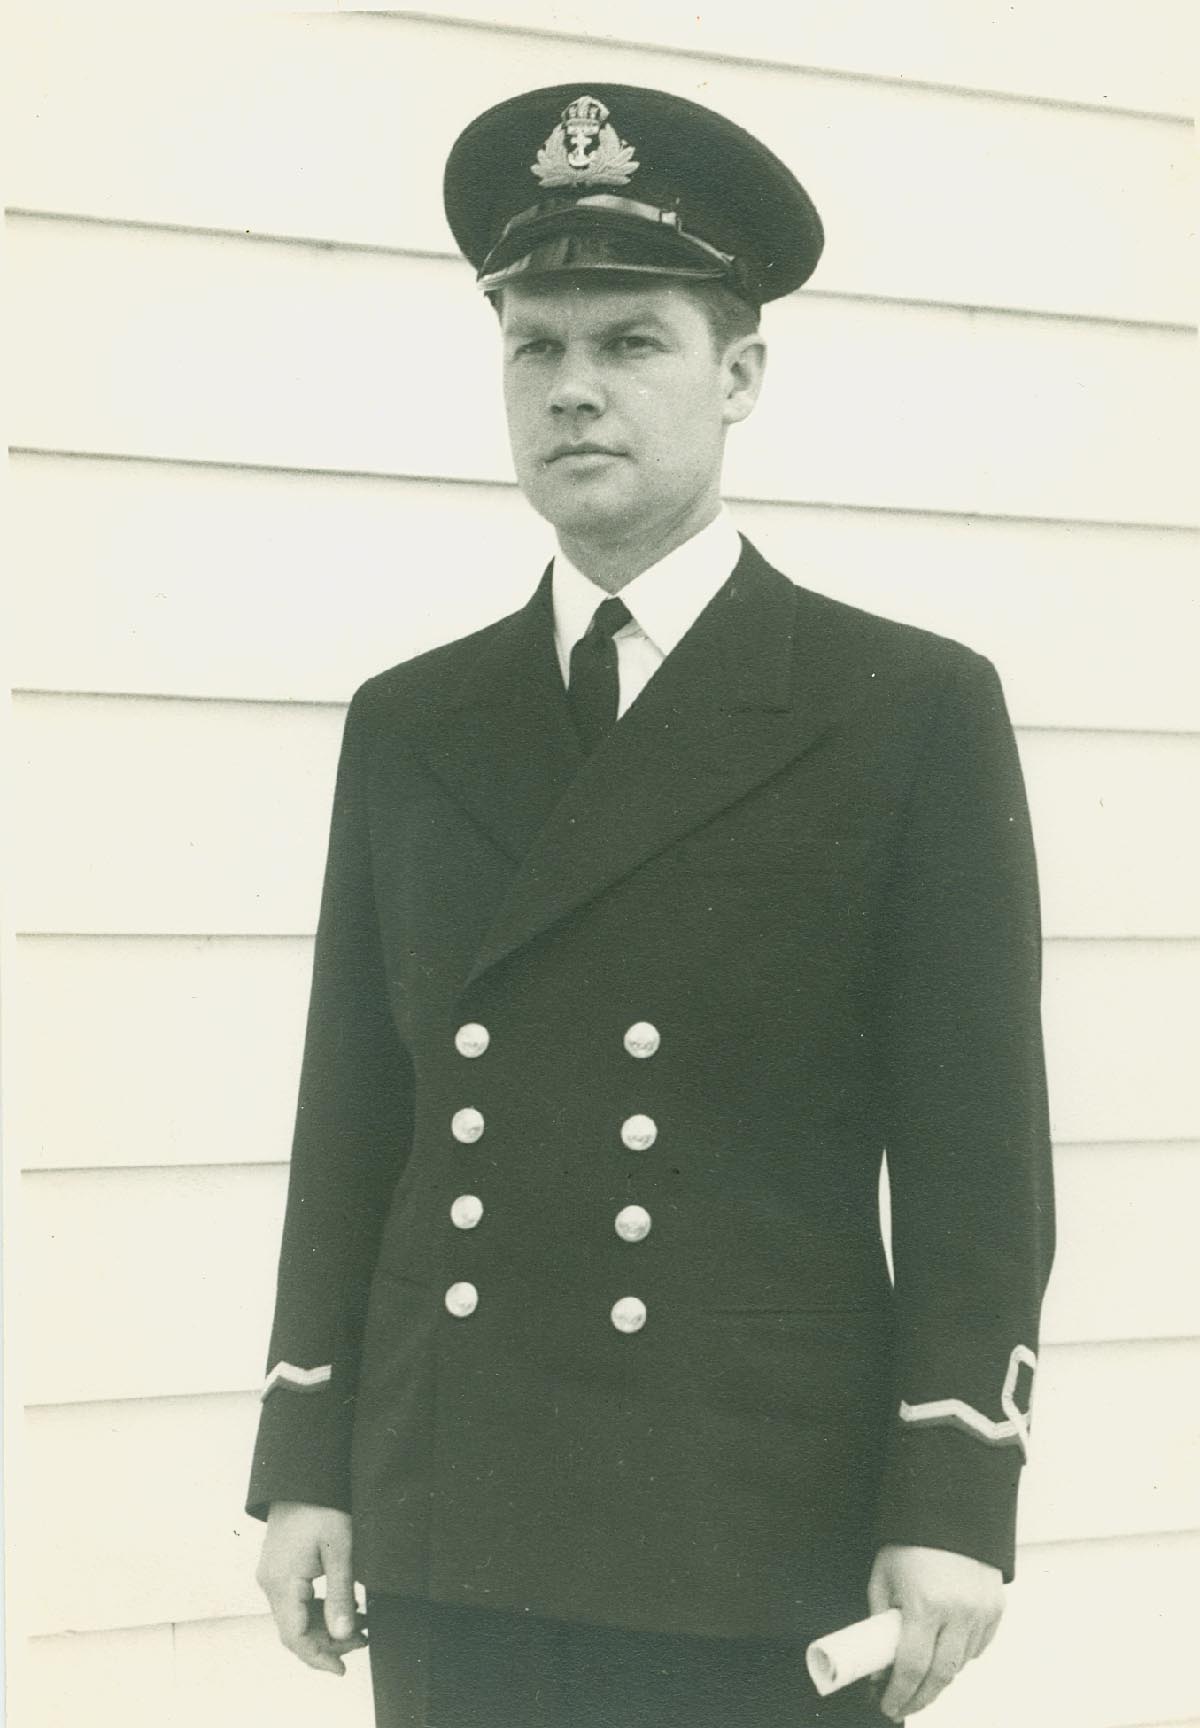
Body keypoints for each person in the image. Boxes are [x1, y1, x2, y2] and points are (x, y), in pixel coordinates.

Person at [248, 82, 1055, 1727]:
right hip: (454, 1500)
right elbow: (358, 1116)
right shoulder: (412, 720)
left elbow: (977, 1155)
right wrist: (303, 1461)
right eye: (535, 350)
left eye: (631, 344)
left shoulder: (898, 705)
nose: (574, 392)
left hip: (749, 1513)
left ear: (739, 375)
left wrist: (953, 1502)